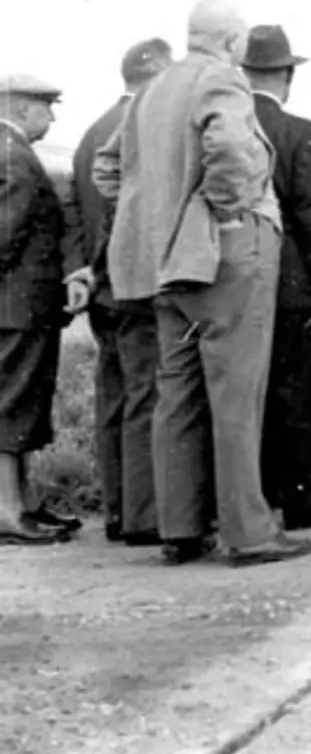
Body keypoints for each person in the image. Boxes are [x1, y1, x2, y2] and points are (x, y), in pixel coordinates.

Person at [93, 0, 311, 567]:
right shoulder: (223, 80)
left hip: (165, 268)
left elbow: (106, 167)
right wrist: (222, 212)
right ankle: (249, 532)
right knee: (237, 395)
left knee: (178, 395)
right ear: (234, 42)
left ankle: (181, 529)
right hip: (228, 256)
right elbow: (232, 150)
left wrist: (160, 218)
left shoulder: (152, 90)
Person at [62, 38, 173, 546]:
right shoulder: (144, 127)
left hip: (102, 288)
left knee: (114, 398)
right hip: (135, 288)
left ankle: (117, 508)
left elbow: (79, 212)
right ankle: (143, 515)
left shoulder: (90, 134)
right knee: (146, 396)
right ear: (155, 75)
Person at [242, 24, 311, 533]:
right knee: (294, 392)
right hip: (291, 283)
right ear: (287, 76)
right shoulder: (301, 133)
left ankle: (255, 495)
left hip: (237, 281)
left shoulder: (228, 126)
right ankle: (303, 499)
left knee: (249, 395)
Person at [0, 75, 79, 545]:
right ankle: (9, 512)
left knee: (20, 407)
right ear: (22, 107)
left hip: (21, 306)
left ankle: (22, 505)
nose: (51, 117)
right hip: (17, 307)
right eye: (47, 106)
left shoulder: (13, 154)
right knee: (11, 407)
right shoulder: (14, 158)